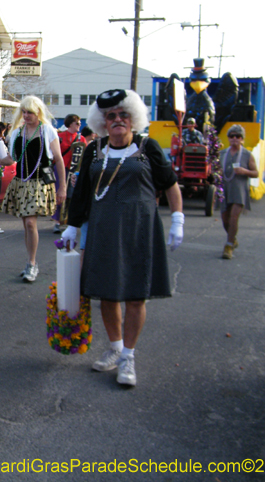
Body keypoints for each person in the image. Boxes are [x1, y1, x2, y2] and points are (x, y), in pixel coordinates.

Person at [63, 89, 184, 387]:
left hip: (140, 229)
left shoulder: (147, 147)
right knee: (106, 292)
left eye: (123, 115)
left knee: (134, 293)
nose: (118, 120)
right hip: (103, 229)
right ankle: (115, 348)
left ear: (133, 118)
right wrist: (72, 226)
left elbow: (170, 185)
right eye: (111, 116)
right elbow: (81, 194)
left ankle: (129, 355)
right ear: (103, 121)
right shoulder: (94, 149)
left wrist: (177, 220)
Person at [0, 96, 66, 282]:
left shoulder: (47, 131)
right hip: (20, 183)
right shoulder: (17, 132)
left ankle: (32, 263)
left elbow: (58, 159)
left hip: (39, 184)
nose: (27, 115)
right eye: (24, 112)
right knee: (27, 225)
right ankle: (30, 261)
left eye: (30, 112)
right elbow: (12, 159)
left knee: (30, 223)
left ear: (38, 113)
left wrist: (63, 188)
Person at [219, 124, 258, 259]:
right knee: (225, 219)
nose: (235, 138)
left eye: (238, 136)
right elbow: (216, 171)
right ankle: (233, 238)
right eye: (232, 136)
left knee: (234, 217)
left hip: (239, 191)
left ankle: (228, 246)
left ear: (242, 139)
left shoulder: (247, 155)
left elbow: (256, 173)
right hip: (225, 190)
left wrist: (244, 171)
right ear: (228, 138)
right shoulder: (222, 153)